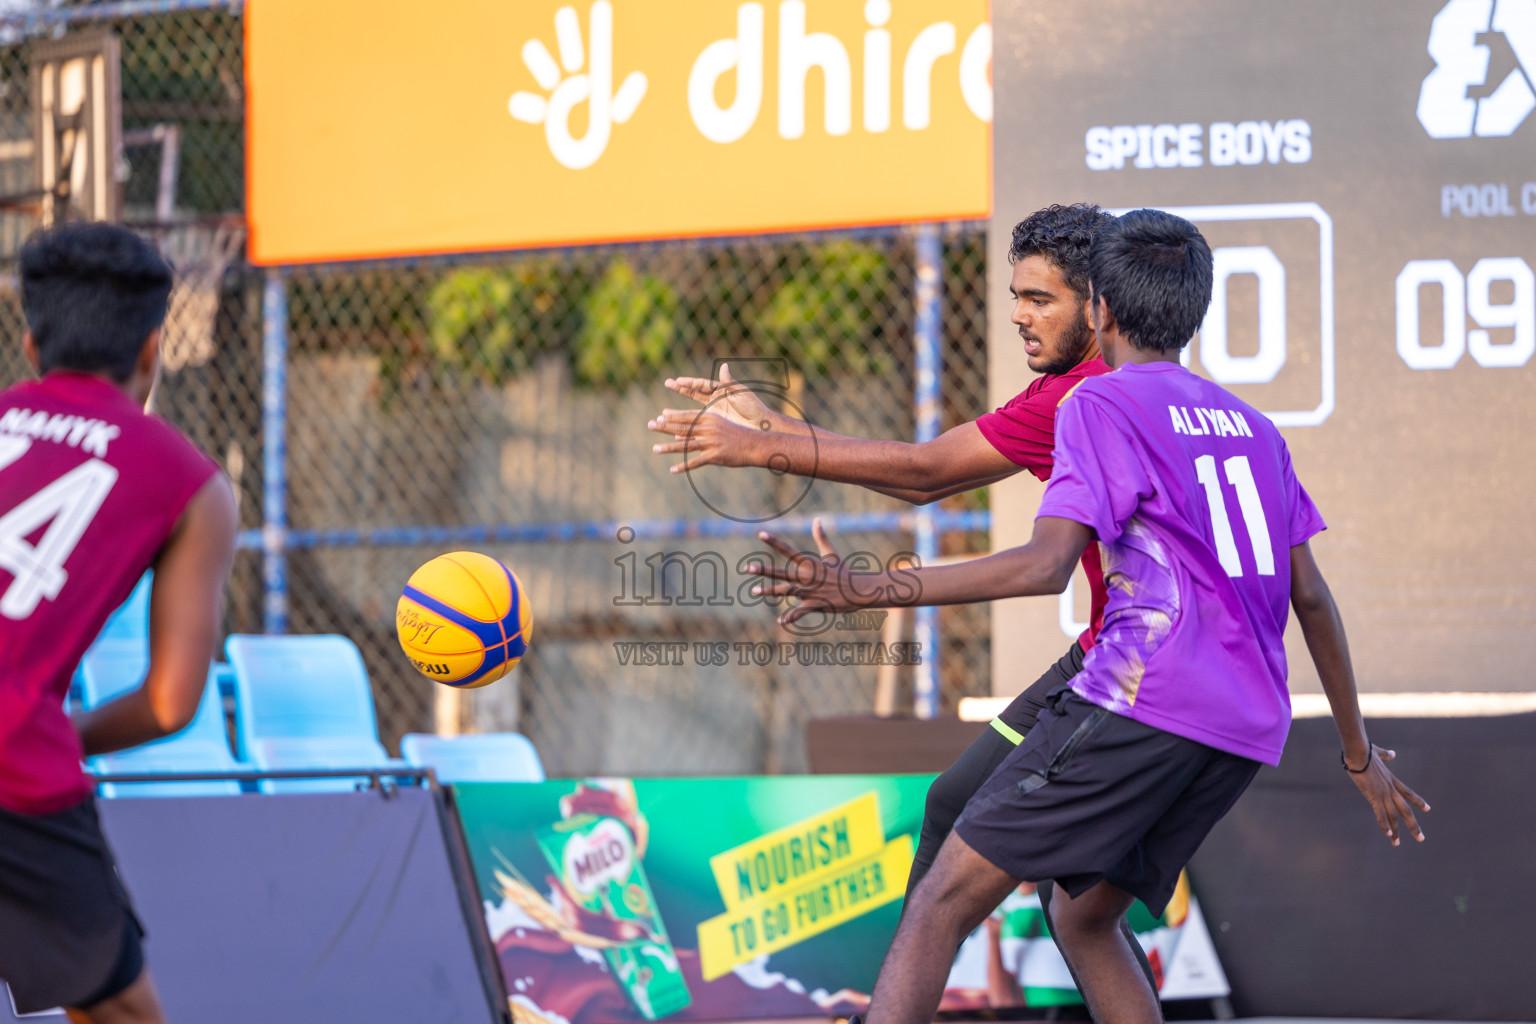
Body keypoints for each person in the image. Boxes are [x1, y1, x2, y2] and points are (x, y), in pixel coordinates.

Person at [747, 209, 1429, 1024]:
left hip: (1142, 696)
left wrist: (867, 589)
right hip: (1244, 728)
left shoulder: (1097, 407)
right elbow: (1310, 598)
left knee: (942, 902)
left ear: (1099, 306)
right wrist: (1358, 753)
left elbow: (1043, 566)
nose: (1021, 313)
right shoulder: (1255, 429)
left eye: (1041, 297)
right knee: (1084, 914)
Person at [0, 224, 237, 1024]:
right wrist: (66, 732)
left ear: (30, 343)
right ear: (151, 349)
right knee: (121, 1012)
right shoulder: (188, 481)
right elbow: (171, 703)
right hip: (10, 760)